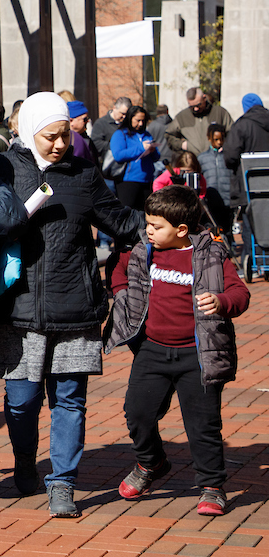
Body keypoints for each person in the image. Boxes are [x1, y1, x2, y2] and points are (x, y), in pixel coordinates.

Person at [0, 92, 143, 518]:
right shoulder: (3, 168)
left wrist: (168, 222)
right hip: (17, 309)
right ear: (27, 131)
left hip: (76, 305)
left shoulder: (84, 174)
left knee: (70, 400)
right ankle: (24, 461)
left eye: (64, 136)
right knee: (21, 401)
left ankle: (63, 485)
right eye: (50, 137)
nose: (60, 144)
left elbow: (122, 221)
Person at [105, 185, 250, 516]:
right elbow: (117, 270)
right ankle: (151, 463)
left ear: (181, 229)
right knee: (137, 413)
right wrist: (121, 293)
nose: (149, 231)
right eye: (148, 223)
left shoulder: (211, 255)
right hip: (152, 352)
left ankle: (212, 487)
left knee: (203, 425)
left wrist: (221, 301)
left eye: (156, 226)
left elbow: (239, 293)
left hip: (197, 356)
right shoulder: (143, 251)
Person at [110, 105, 160, 210]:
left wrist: (152, 150)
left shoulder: (147, 135)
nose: (141, 124)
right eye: (137, 120)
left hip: (147, 180)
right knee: (128, 210)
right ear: (130, 118)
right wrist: (141, 148)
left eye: (143, 121)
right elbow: (118, 155)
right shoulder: (120, 134)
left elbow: (156, 157)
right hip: (128, 180)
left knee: (145, 211)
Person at [166, 87, 233, 158]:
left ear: (204, 98)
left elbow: (232, 132)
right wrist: (181, 145)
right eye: (192, 106)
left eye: (198, 105)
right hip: (193, 161)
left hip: (216, 160)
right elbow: (169, 135)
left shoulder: (220, 113)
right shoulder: (182, 117)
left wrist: (225, 146)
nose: (196, 109)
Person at [198, 124, 234, 230]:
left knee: (227, 229)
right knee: (212, 229)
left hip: (227, 200)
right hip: (210, 200)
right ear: (209, 138)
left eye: (221, 139)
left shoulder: (229, 157)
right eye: (216, 139)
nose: (219, 142)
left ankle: (229, 246)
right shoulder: (202, 158)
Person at [90, 97, 130, 162]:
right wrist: (117, 146)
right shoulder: (101, 123)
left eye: (127, 114)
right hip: (108, 162)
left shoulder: (127, 124)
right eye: (122, 113)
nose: (124, 117)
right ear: (114, 108)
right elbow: (96, 143)